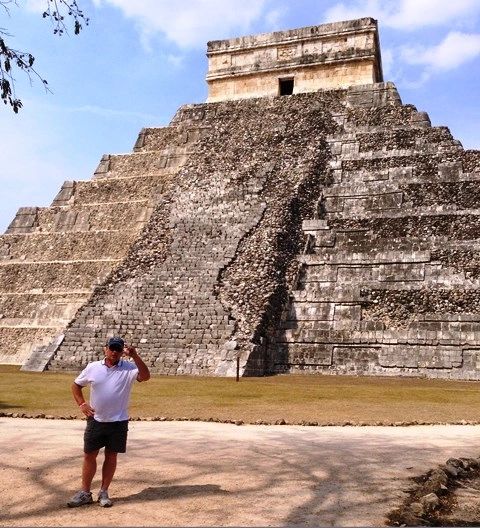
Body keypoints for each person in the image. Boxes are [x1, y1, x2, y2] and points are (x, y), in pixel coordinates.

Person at [67, 336, 150, 508]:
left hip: (118, 421)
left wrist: (135, 356)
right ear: (105, 348)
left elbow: (146, 376)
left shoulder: (129, 368)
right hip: (96, 419)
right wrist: (82, 404)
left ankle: (104, 491)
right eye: (111, 348)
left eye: (118, 349)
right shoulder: (93, 367)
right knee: (89, 455)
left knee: (111, 456)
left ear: (122, 352)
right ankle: (85, 492)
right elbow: (76, 385)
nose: (114, 352)